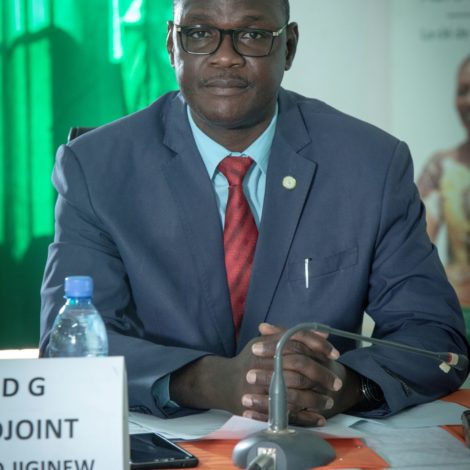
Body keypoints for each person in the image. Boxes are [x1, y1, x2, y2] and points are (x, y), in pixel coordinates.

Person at [40, 0, 469, 426]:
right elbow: (68, 348)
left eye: (252, 34)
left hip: (321, 441)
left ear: (289, 46)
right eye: (199, 33)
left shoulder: (371, 164)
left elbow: (436, 339)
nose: (225, 56)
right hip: (161, 440)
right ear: (172, 44)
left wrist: (343, 385)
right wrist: (207, 380)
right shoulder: (94, 169)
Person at [418, 55, 470, 338]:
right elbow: (414, 250)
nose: (468, 101)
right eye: (462, 91)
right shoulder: (440, 168)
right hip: (457, 318)